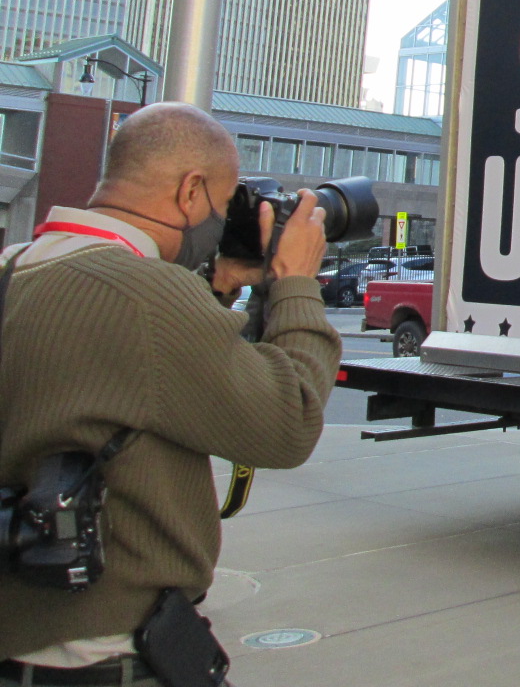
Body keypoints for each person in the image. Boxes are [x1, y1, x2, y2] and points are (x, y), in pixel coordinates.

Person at [0, 102, 339, 684]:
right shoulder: (145, 294)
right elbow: (290, 422)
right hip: (105, 653)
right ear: (190, 192)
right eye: (222, 200)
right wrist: (297, 284)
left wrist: (223, 284)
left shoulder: (16, 268)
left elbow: (131, 379)